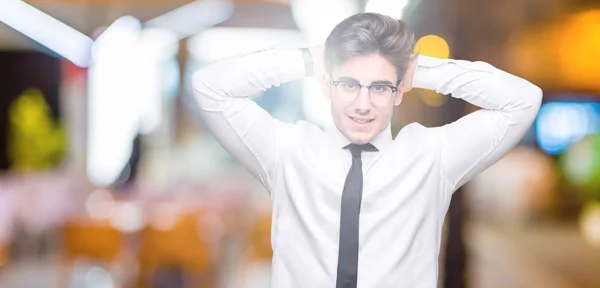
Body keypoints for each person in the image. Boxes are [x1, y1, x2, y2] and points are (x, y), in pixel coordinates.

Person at [191, 12, 542, 288]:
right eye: (348, 84)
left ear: (399, 90)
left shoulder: (433, 156)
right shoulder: (287, 150)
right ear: (327, 84)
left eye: (378, 87)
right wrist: (309, 60)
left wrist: (419, 69)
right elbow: (209, 87)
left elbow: (523, 101)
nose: (363, 104)